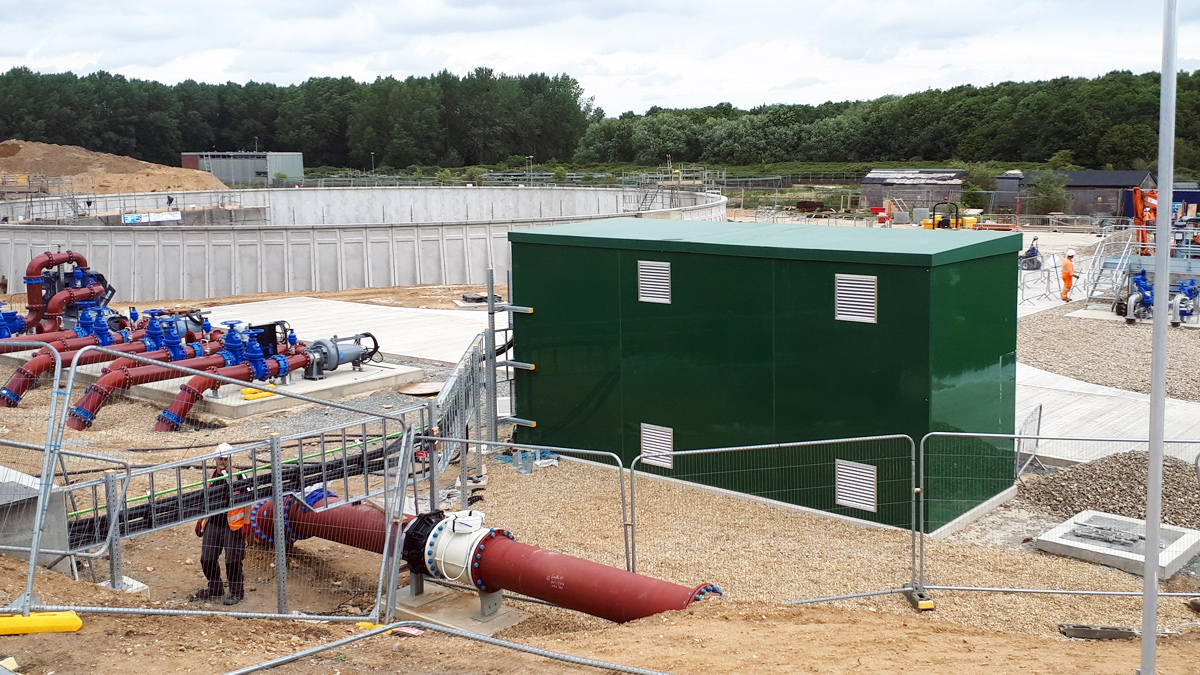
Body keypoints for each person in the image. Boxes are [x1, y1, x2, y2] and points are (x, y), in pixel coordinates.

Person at [192, 443, 246, 605]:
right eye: (219, 458)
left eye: (225, 459)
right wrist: (200, 520)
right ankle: (215, 588)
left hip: (232, 525)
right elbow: (204, 500)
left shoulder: (239, 476)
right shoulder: (210, 475)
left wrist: (248, 523)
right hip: (213, 523)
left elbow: (250, 499)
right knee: (207, 558)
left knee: (232, 560)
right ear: (215, 459)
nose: (222, 462)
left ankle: (236, 592)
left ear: (230, 459)